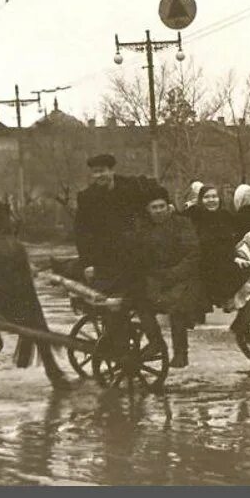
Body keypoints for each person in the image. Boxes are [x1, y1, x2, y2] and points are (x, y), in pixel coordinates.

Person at [133, 185, 204, 368]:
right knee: (140, 302)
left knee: (177, 306)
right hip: (158, 279)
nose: (158, 211)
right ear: (148, 210)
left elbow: (193, 254)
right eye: (154, 208)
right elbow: (141, 257)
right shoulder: (144, 230)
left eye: (161, 206)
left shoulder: (182, 224)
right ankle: (156, 342)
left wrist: (174, 274)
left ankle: (181, 353)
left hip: (184, 278)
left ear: (168, 206)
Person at [74, 153, 154, 294]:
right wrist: (87, 264)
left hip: (134, 254)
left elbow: (150, 209)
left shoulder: (132, 187)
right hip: (104, 259)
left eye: (102, 170)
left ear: (112, 170)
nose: (99, 175)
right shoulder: (86, 197)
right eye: (95, 172)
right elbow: (81, 233)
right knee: (111, 305)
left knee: (142, 300)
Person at [190, 185, 247, 310]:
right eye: (206, 197)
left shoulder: (225, 215)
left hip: (225, 259)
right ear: (201, 200)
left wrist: (235, 256)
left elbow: (233, 240)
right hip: (203, 261)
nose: (211, 200)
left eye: (214, 196)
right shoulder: (195, 216)